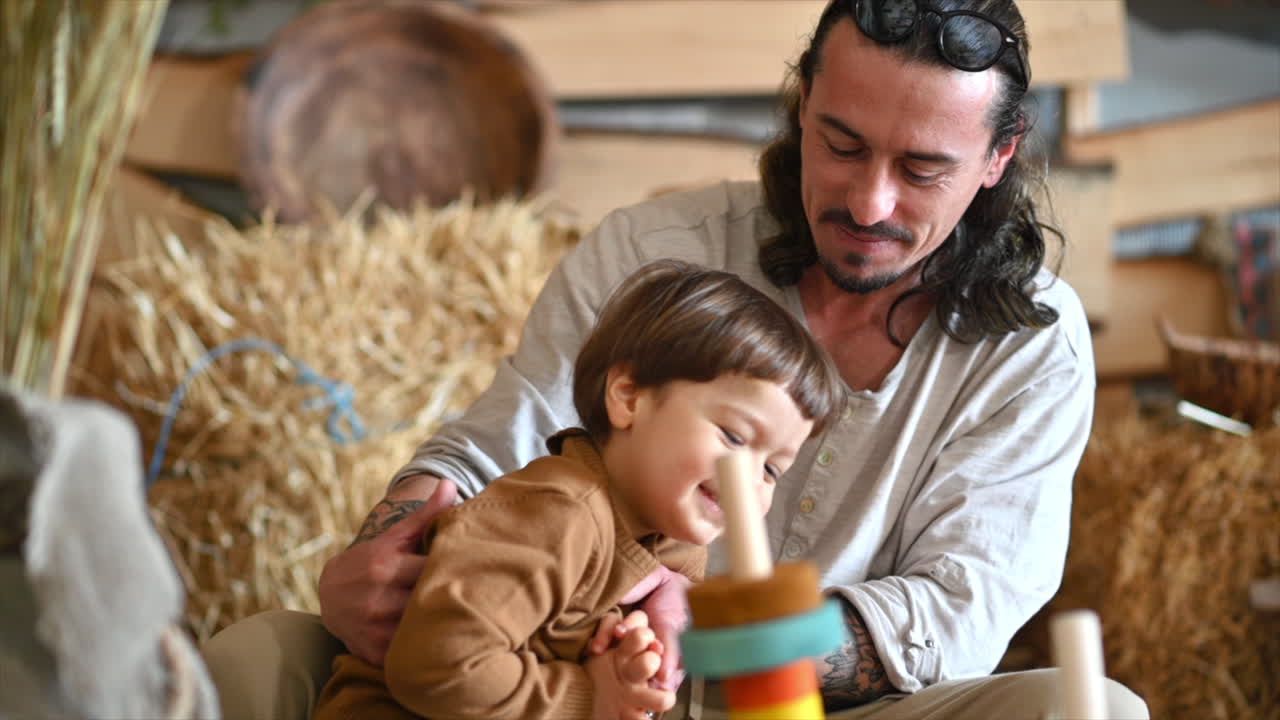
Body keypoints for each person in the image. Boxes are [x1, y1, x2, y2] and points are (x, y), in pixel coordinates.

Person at [203, 0, 1151, 718]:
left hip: (834, 709)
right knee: (256, 659)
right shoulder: (655, 249)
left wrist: (724, 637)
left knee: (1094, 710)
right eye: (841, 143)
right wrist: (383, 547)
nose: (868, 202)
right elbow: (494, 447)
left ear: (998, 156)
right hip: (558, 667)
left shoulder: (1032, 344)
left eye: (922, 170)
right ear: (802, 103)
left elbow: (960, 612)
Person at [308, 260, 843, 720]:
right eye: (733, 436)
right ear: (629, 397)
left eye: (773, 469)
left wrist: (629, 666)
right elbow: (437, 665)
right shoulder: (559, 513)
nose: (750, 482)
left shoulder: (674, 540)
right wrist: (592, 698)